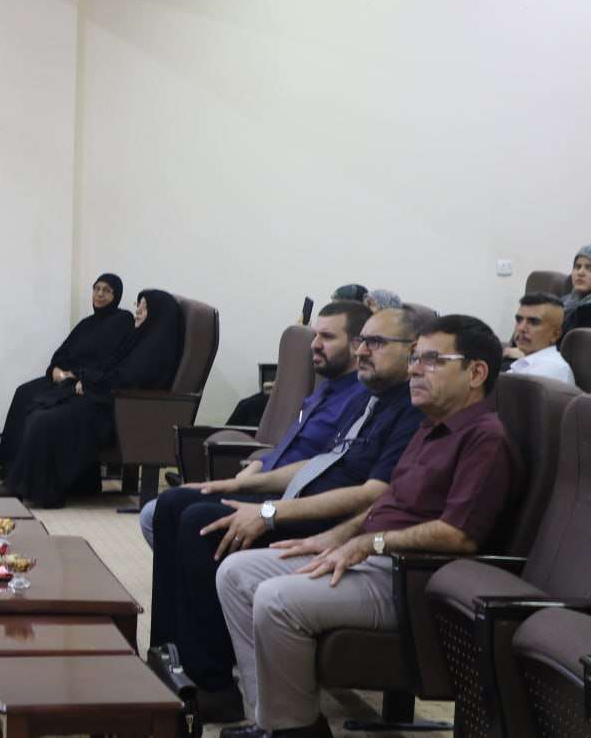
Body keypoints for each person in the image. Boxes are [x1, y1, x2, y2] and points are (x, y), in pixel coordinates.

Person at [215, 315, 520, 738]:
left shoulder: (485, 439)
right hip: (372, 557)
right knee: (235, 573)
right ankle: (274, 721)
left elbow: (459, 534)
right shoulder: (430, 426)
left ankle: (294, 730)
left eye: (432, 360)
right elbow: (388, 500)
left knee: (276, 598)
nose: (415, 369)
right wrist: (333, 537)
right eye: (415, 358)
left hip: (410, 579)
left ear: (476, 373)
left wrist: (370, 543)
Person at [146, 307, 424, 723]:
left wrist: (269, 512)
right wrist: (238, 486)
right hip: (299, 502)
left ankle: (213, 684)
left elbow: (373, 495)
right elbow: (319, 462)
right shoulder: (370, 399)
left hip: (334, 522)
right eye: (363, 341)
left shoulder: (410, 409)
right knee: (174, 504)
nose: (363, 351)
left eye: (376, 343)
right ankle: (170, 657)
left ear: (413, 351)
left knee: (201, 524)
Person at [139, 301, 371, 549]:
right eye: (315, 335)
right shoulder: (325, 388)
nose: (314, 344)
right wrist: (256, 467)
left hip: (288, 498)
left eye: (327, 337)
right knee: (165, 505)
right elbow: (288, 445)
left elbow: (324, 466)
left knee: (180, 512)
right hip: (262, 481)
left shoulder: (361, 399)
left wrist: (246, 483)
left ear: (357, 345)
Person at [0, 289, 184, 507]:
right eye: (138, 305)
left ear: (158, 315)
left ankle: (32, 489)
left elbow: (130, 381)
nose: (138, 311)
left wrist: (90, 385)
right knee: (40, 408)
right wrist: (86, 380)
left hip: (117, 413)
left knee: (44, 421)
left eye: (144, 307)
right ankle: (64, 483)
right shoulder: (137, 340)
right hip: (103, 401)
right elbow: (112, 370)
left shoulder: (155, 351)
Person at [0, 274, 135, 476]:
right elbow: (62, 353)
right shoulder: (86, 324)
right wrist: (55, 370)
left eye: (107, 290)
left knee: (39, 407)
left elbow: (110, 362)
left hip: (85, 384)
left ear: (116, 295)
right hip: (62, 379)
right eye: (96, 288)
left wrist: (76, 374)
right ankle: (10, 465)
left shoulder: (122, 321)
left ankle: (23, 470)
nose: (100, 294)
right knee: (23, 393)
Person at [502, 293, 574, 384]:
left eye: (533, 322)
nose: (521, 328)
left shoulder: (552, 368)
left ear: (555, 334)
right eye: (519, 320)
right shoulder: (526, 362)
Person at [561, 244, 591, 333]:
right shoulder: (561, 302)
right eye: (577, 267)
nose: (580, 272)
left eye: (589, 268)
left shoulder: (587, 311)